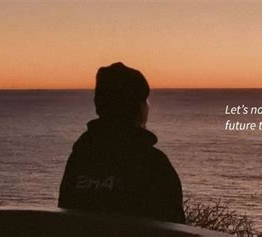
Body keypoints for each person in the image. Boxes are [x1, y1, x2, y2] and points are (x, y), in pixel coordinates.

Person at [58, 62, 185, 224]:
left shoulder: (81, 157)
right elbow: (175, 226)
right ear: (136, 108)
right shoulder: (153, 164)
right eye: (145, 100)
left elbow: (65, 211)